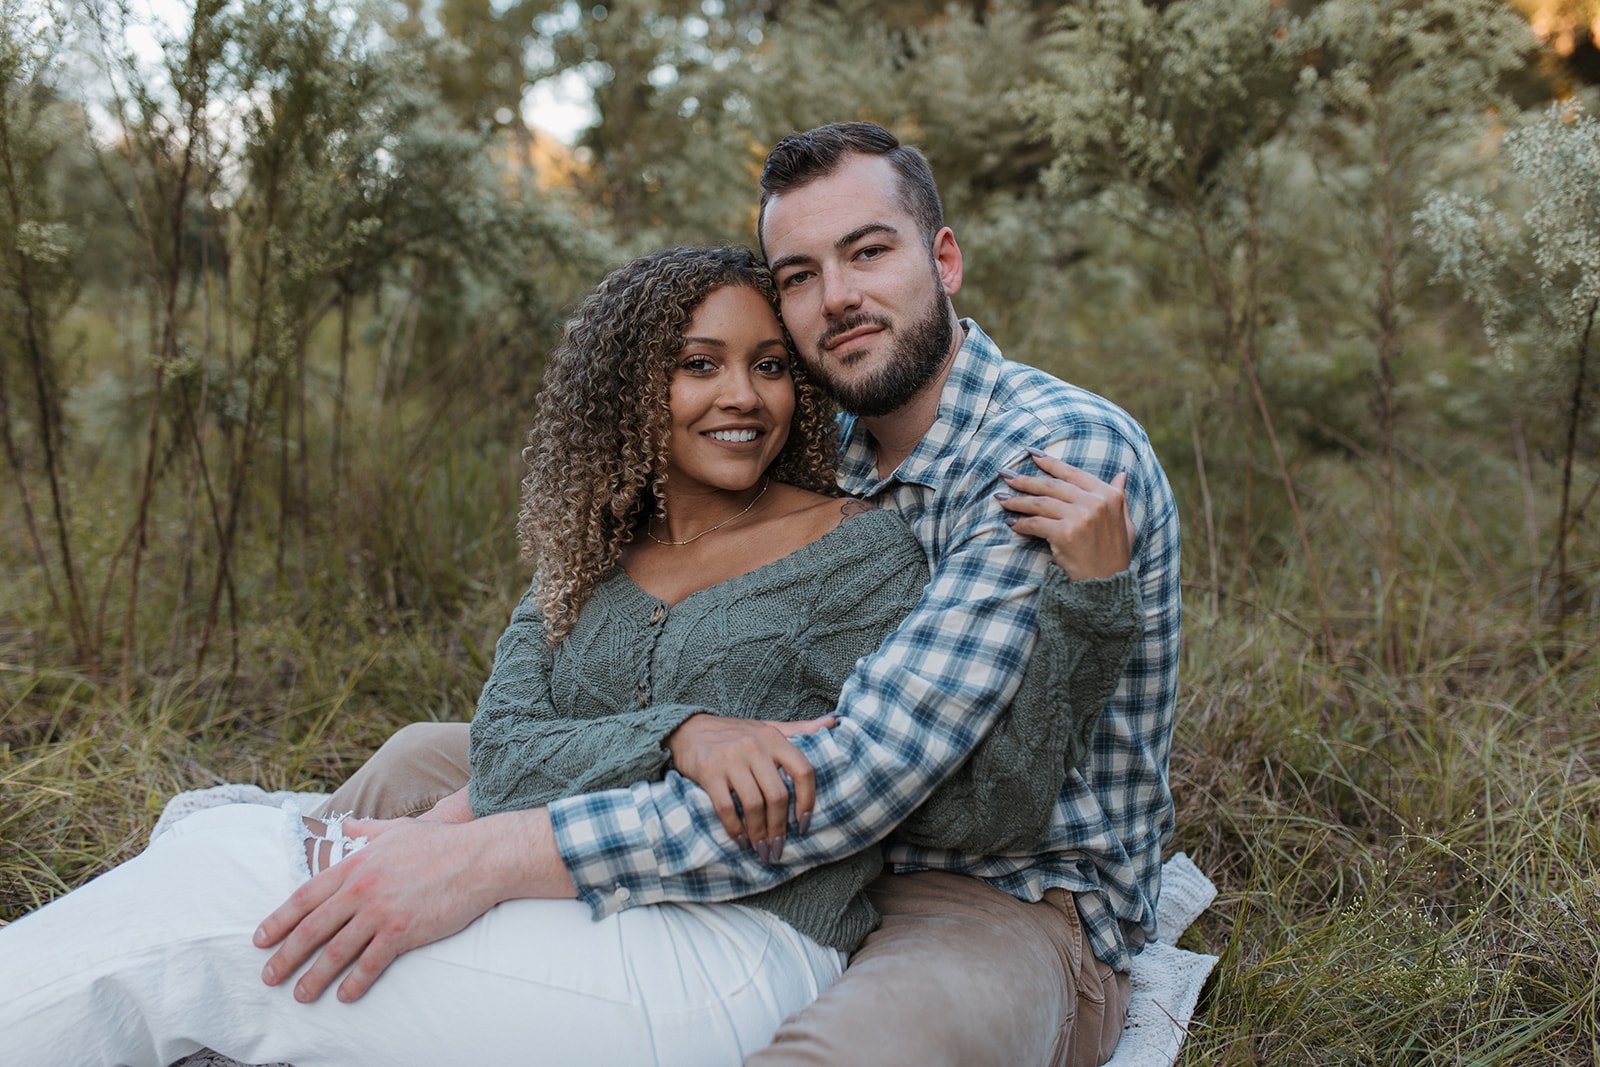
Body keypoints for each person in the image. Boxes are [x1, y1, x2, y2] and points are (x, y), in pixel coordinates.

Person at [0, 244, 1143, 1065]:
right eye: (698, 365)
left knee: (211, 926)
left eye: (768, 365)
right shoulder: (586, 556)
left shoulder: (865, 553)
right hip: (588, 900)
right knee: (237, 872)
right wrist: (681, 733)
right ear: (630, 389)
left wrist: (1088, 606)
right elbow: (500, 747)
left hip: (733, 941)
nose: (741, 395)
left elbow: (976, 801)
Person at [259, 122, 1181, 1067]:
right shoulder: (830, 450)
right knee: (421, 760)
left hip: (992, 884)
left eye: (868, 252)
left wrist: (494, 853)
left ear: (942, 258)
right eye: (801, 274)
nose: (840, 298)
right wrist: (682, 734)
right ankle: (270, 964)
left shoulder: (1051, 452)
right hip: (816, 815)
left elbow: (864, 782)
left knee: (851, 1052)